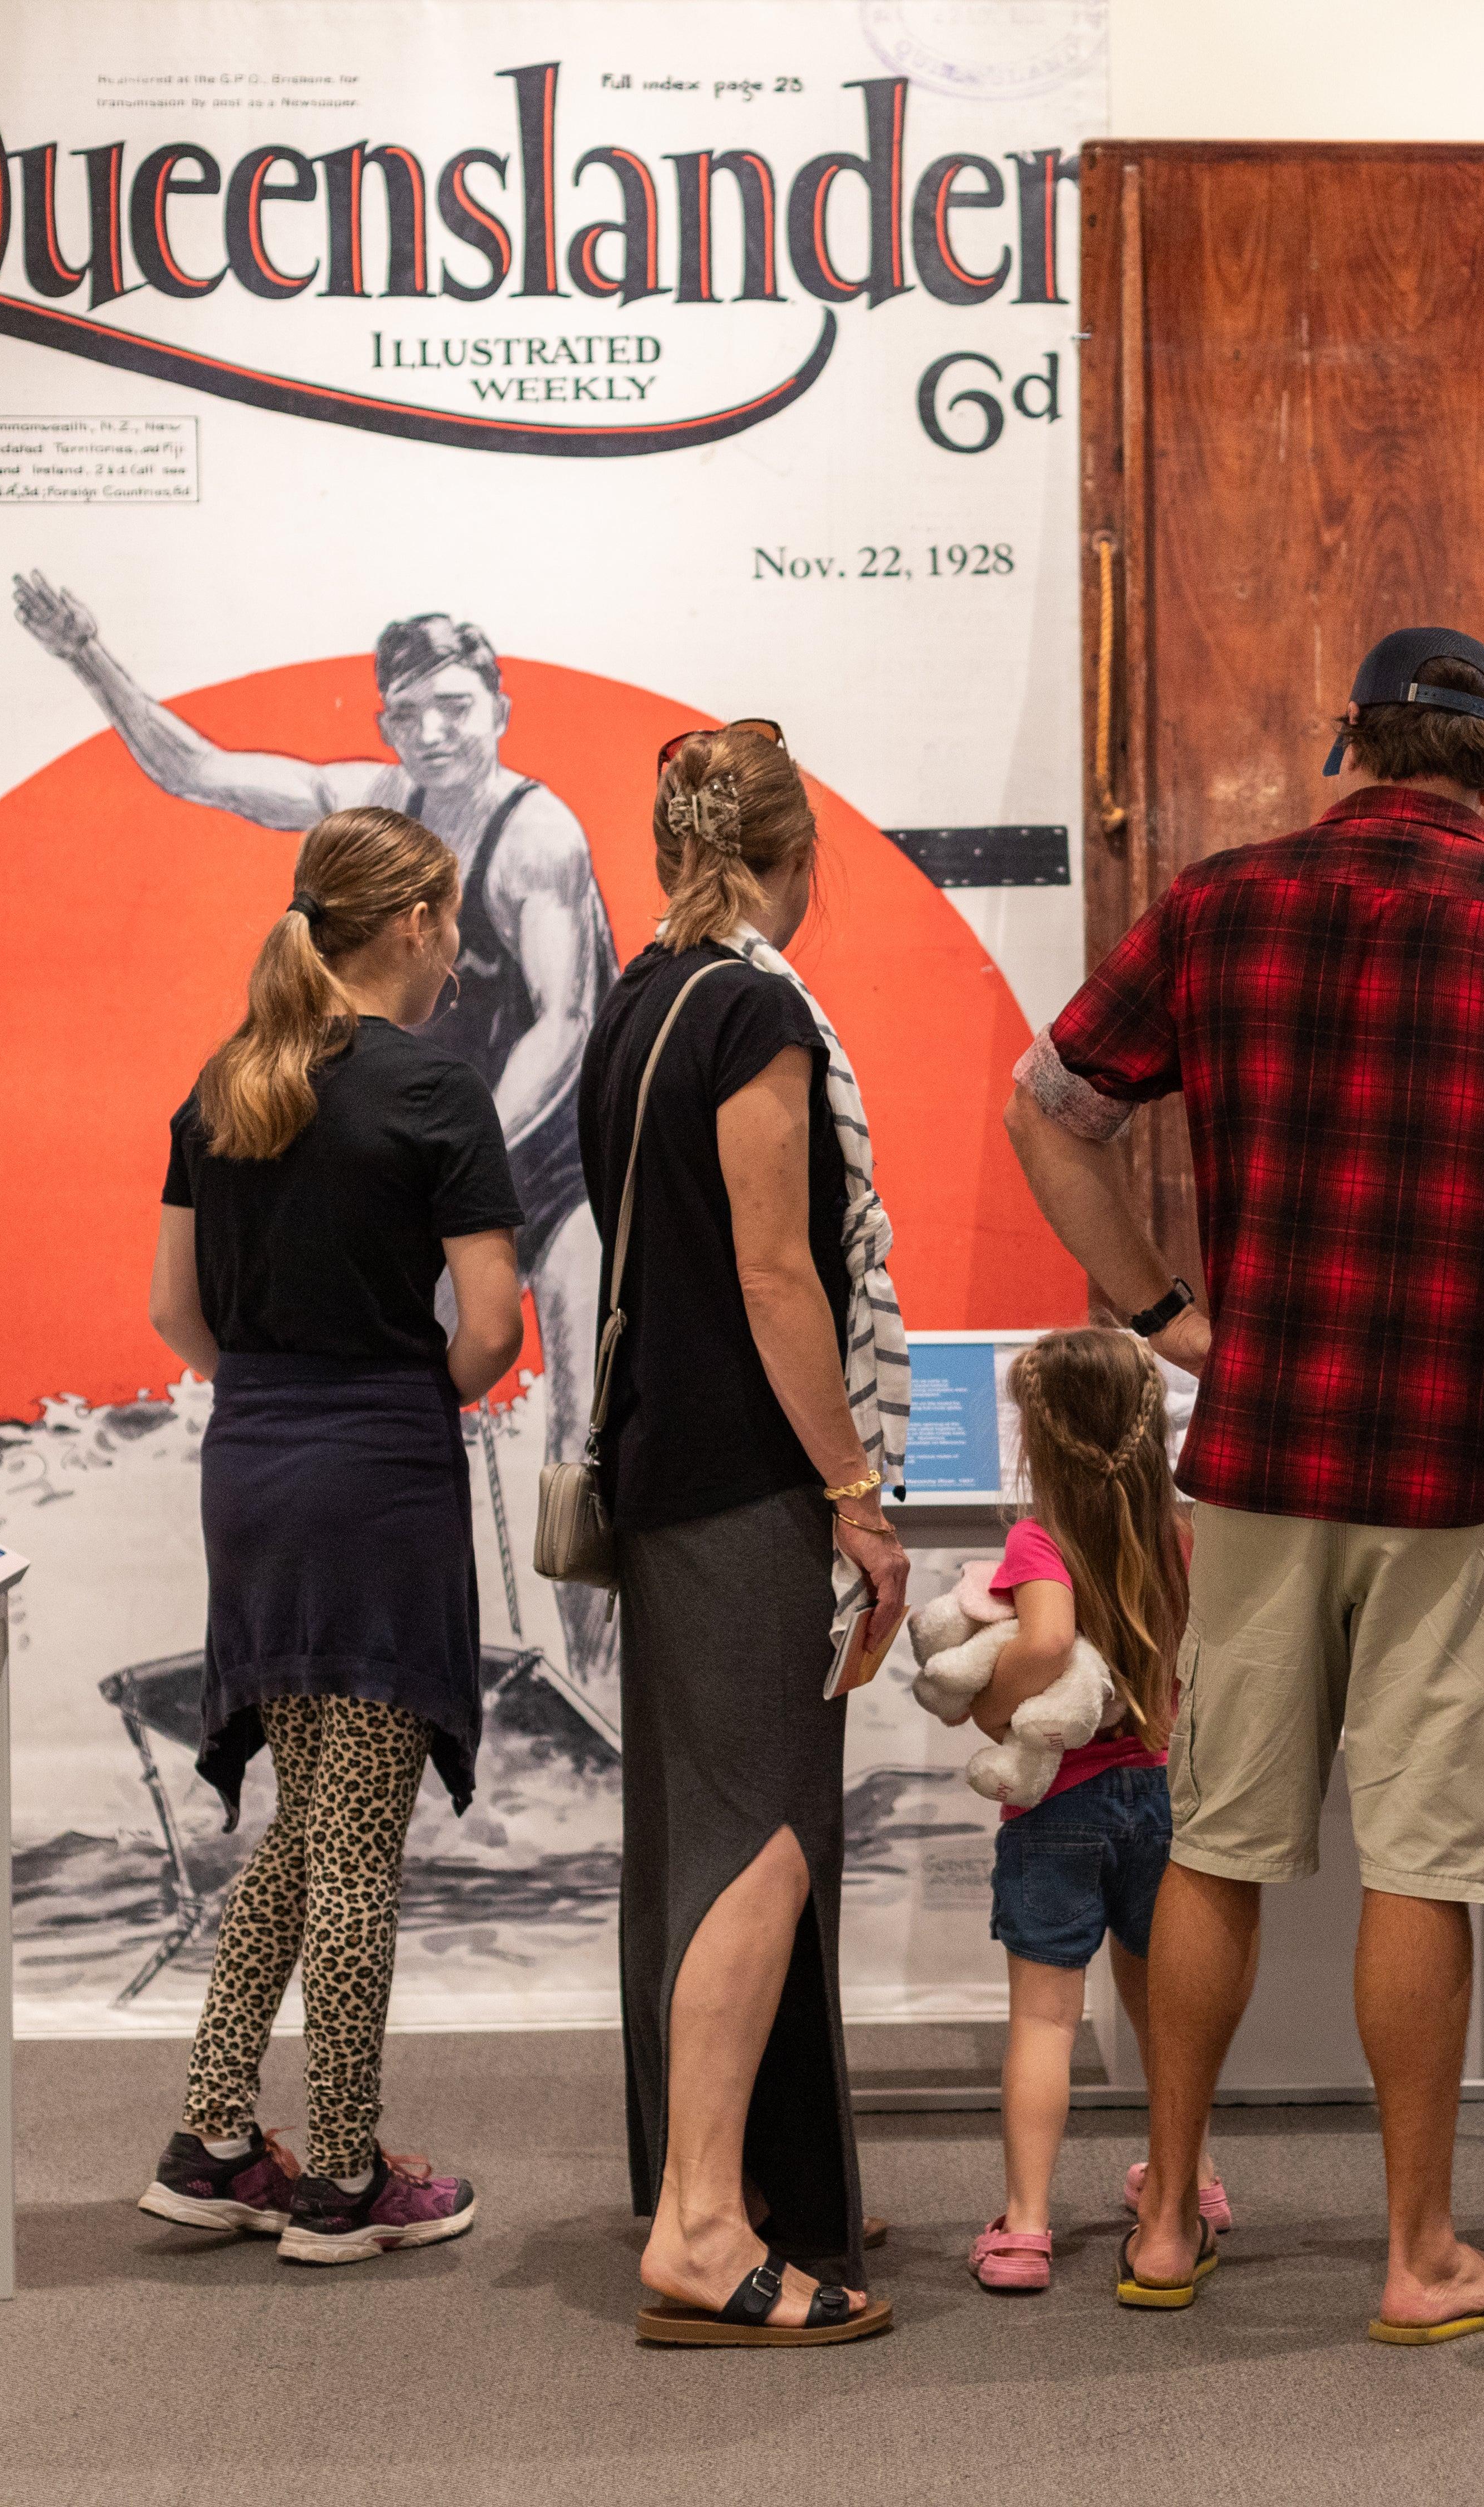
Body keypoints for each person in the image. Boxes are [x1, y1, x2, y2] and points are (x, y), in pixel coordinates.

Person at [1003, 626, 1484, 2342]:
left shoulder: (1221, 903)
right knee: (1422, 1863)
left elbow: (1049, 1107)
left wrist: (1164, 1310)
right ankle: (1418, 2258)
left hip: (1252, 1458)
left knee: (1221, 1847)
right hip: (1459, 1472)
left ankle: (1165, 2221)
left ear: (1352, 744)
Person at [14, 578, 624, 1722]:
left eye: (454, 704)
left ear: (497, 703)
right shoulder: (374, 804)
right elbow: (201, 772)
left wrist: (466, 1155)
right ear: (388, 725)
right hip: (444, 1145)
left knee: (582, 1412)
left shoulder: (537, 834)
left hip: (561, 1153)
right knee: (400, 1391)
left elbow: (567, 1019)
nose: (434, 732)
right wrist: (91, 653)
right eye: (410, 714)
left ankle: (592, 1668)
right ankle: (412, 1654)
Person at [137, 806, 523, 2265]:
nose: (460, 947)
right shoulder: (433, 1092)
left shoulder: (223, 1085)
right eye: (454, 920)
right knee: (363, 1853)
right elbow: (490, 1326)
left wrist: (289, 1386)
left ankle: (216, 2137)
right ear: (416, 922)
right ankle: (346, 2181)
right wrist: (405, 1399)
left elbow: (180, 1317)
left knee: (313, 1827)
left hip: (252, 1471)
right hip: (380, 1480)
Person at [585, 719, 910, 2348]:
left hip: (665, 1470)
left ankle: (728, 2184)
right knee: (760, 1843)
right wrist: (857, 1496)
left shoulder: (638, 1004)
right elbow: (780, 1274)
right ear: (795, 858)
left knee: (695, 1838)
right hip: (744, 1482)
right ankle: (705, 2228)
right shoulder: (759, 1007)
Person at [960, 1327, 1222, 2296]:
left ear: (1037, 1439)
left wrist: (995, 1703)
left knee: (1043, 2020)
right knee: (1171, 2016)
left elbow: (1049, 1640)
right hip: (1164, 1797)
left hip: (1060, 1809)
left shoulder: (1040, 1541)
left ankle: (1026, 2228)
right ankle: (1185, 2186)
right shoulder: (1181, 1534)